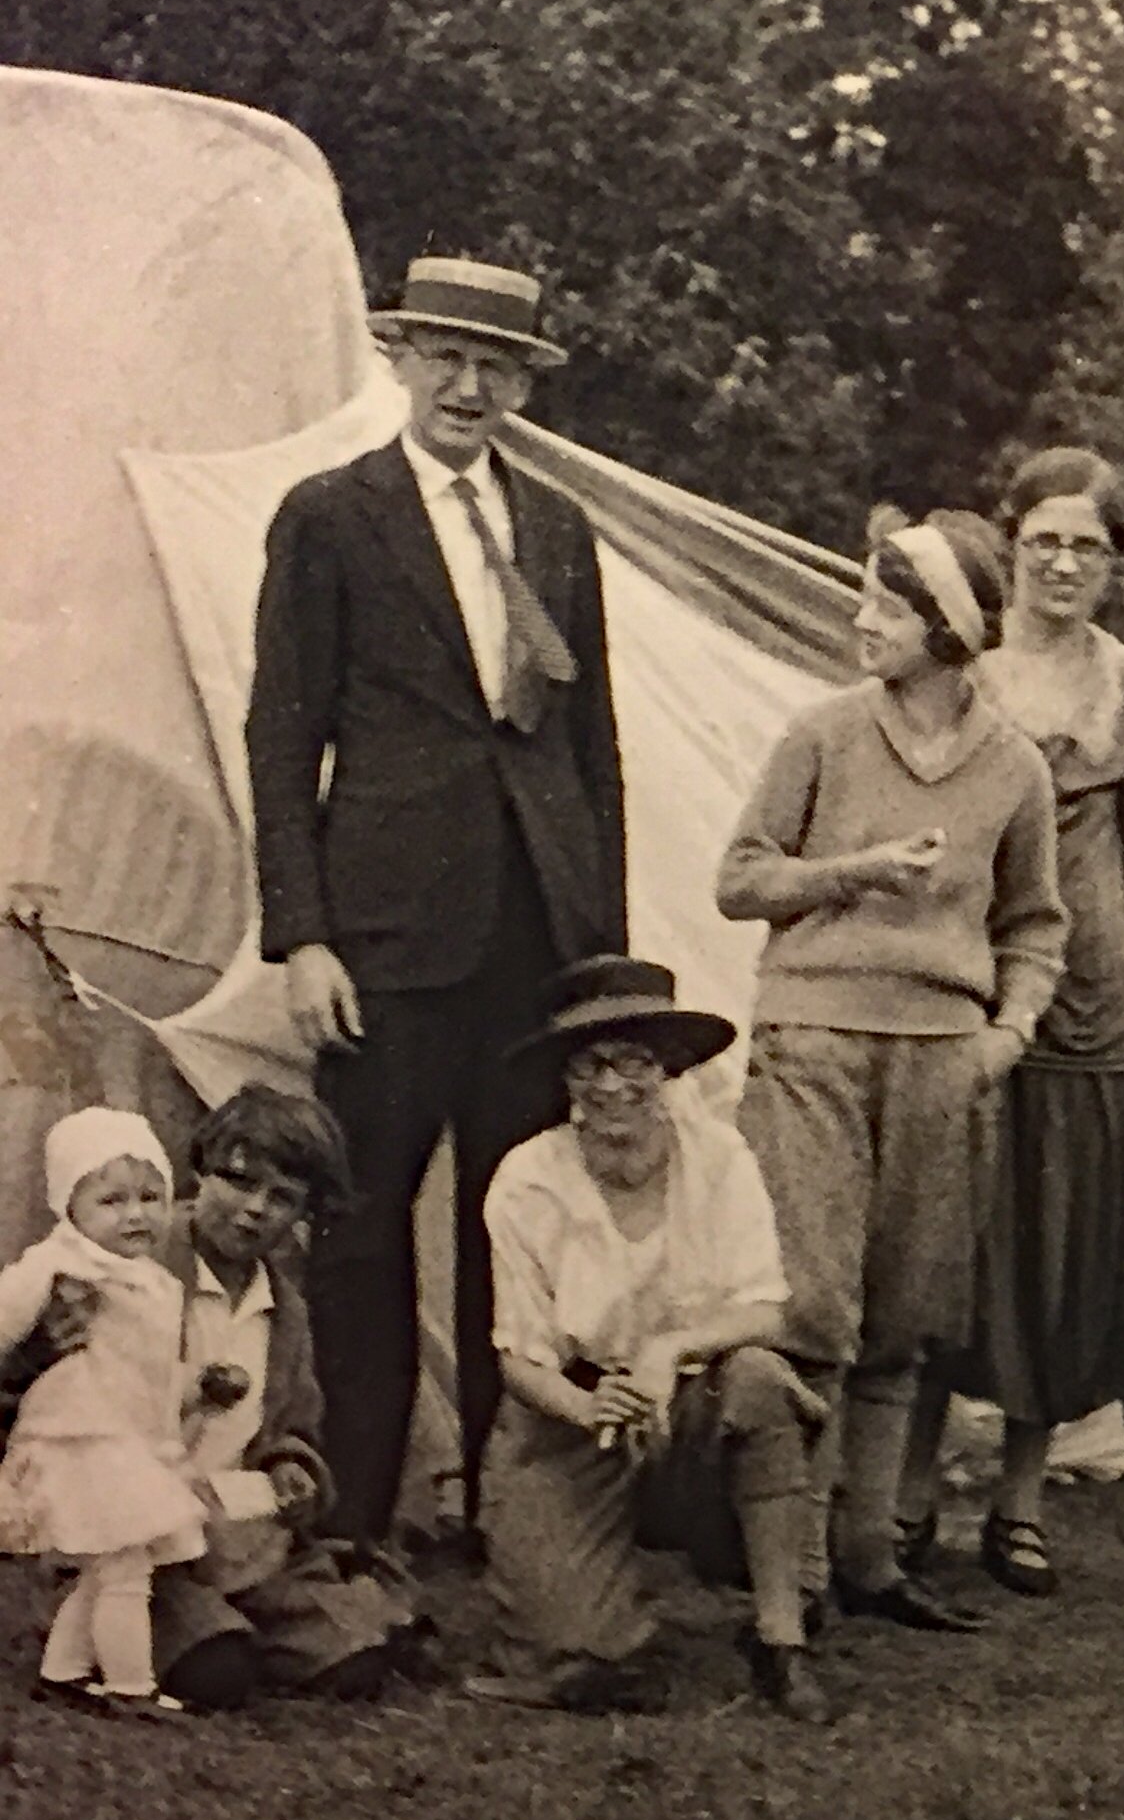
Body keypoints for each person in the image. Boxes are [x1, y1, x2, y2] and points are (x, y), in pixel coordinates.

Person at [246, 255, 626, 1544]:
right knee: (361, 1236)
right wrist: (302, 935)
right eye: (446, 358)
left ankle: (504, 1512)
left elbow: (593, 753)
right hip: (390, 937)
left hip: (535, 936)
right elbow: (280, 735)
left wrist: (601, 962)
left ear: (524, 383)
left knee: (512, 1228)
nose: (469, 386)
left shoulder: (561, 530)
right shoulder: (331, 516)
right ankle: (355, 1517)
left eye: (497, 366)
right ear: (401, 361)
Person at [718, 511, 1064, 1634]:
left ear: (951, 633)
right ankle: (800, 1570)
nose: (863, 622)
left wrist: (1004, 1038)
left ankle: (870, 1557)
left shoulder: (1013, 767)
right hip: (812, 1040)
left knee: (906, 1314)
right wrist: (855, 872)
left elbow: (1037, 927)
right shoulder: (821, 734)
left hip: (941, 1061)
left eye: (890, 607)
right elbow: (740, 879)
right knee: (813, 1305)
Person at [900, 449, 1124, 1594]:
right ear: (1010, 540)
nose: (1066, 562)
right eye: (1048, 539)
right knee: (951, 1231)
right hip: (969, 976)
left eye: (1091, 545)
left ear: (1115, 565)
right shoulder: (958, 663)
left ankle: (1019, 1504)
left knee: (1063, 1250)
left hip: (1095, 995)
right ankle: (908, 1493)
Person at [469, 957, 835, 1722]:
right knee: (581, 1659)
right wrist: (590, 1406)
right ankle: (588, 1598)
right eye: (590, 1064)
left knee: (761, 1377)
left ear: (666, 1068)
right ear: (565, 1076)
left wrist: (667, 1352)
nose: (613, 1087)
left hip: (692, 1395)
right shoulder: (527, 1180)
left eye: (635, 1061)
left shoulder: (720, 1158)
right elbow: (519, 1358)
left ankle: (780, 1638)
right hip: (573, 1413)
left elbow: (765, 1308)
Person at [150, 1087, 421, 1710]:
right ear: (200, 1168)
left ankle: (244, 1621)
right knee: (217, 1672)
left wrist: (290, 1467)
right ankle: (204, 1630)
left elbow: (294, 1424)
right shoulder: (145, 1260)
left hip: (235, 1530)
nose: (255, 1210)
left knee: (355, 1656)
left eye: (282, 1199)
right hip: (140, 1532)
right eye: (239, 1183)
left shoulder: (284, 1309)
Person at [0, 1110, 203, 1719]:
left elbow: (153, 1372)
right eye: (110, 1201)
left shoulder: (156, 1283)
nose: (135, 1214)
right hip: (78, 1437)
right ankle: (131, 1685)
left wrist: (185, 1406)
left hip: (127, 1440)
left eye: (150, 1197)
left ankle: (63, 1670)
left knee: (111, 1563)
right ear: (71, 1208)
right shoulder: (59, 1266)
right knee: (124, 1566)